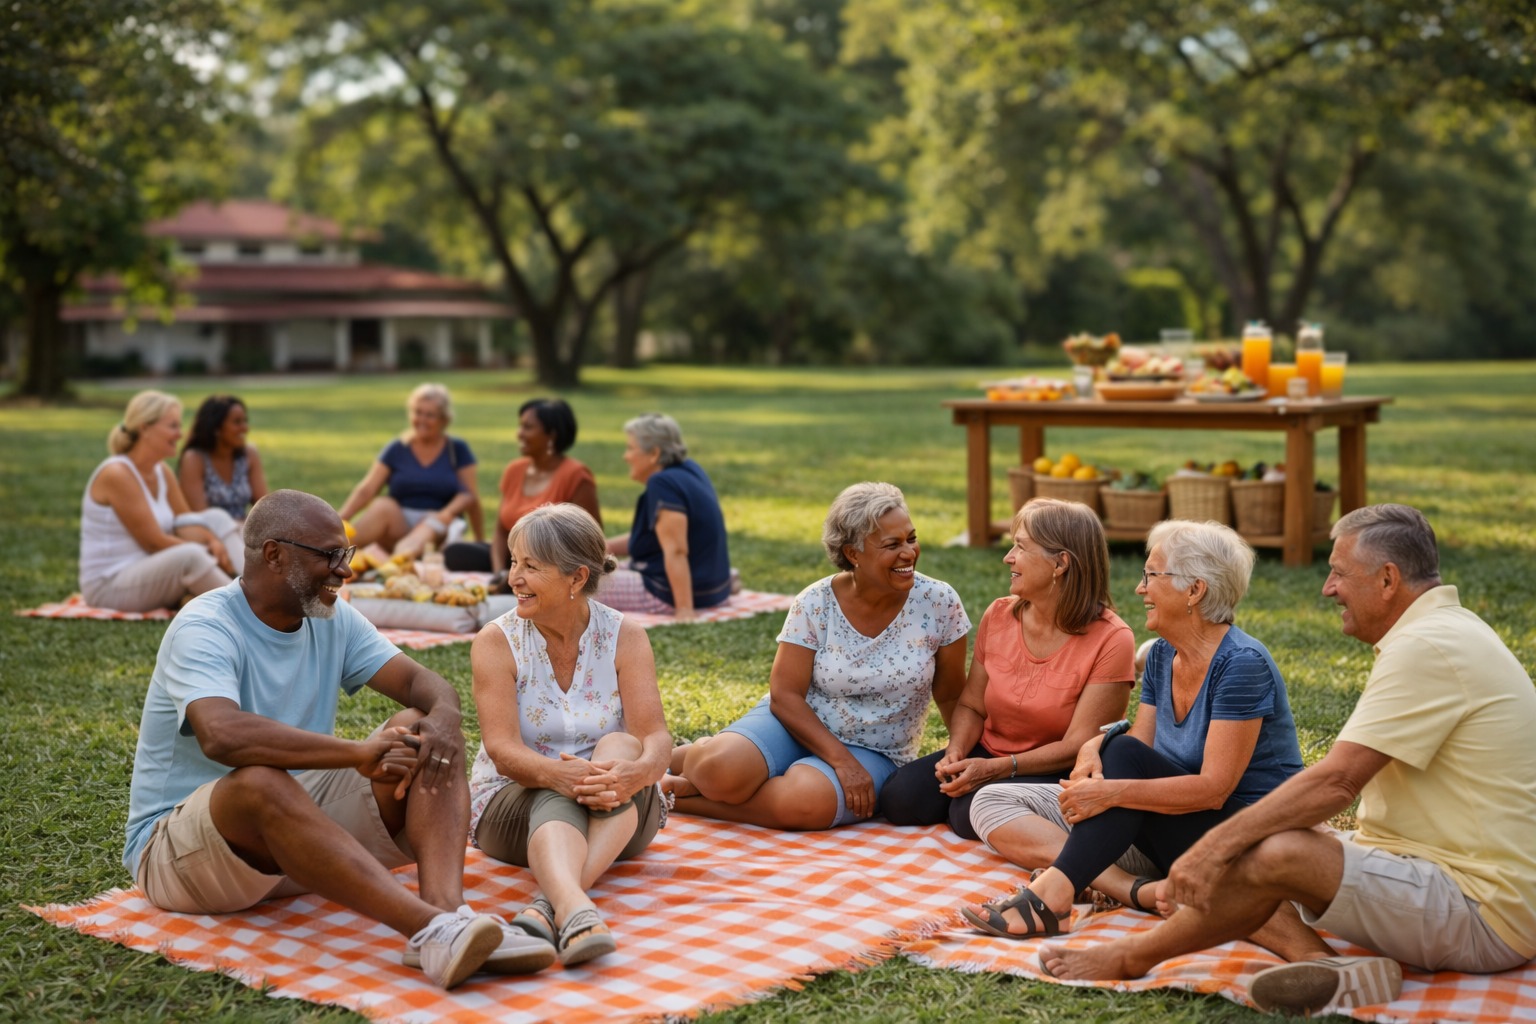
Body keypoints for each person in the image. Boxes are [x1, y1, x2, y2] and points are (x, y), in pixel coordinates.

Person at [1039, 505, 1536, 1016]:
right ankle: (1329, 964)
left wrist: (1215, 848)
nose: (1327, 588)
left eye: (1339, 572)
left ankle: (1130, 956)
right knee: (1273, 852)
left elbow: (1336, 783)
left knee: (1272, 852)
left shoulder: (1428, 647)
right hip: (1441, 876)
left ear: (1388, 579)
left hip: (1482, 912)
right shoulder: (1446, 632)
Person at [122, 490, 555, 989]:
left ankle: (450, 916)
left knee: (423, 730)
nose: (344, 570)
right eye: (329, 556)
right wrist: (358, 753)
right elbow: (223, 735)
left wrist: (444, 717)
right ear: (274, 555)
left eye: (344, 554)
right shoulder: (205, 626)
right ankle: (427, 929)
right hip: (178, 856)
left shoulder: (329, 616)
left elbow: (424, 685)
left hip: (292, 838)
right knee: (261, 782)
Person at [963, 519, 1303, 940]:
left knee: (1120, 764)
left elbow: (1214, 789)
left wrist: (1112, 791)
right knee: (991, 801)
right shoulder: (1163, 654)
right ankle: (1136, 890)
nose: (1140, 589)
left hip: (1239, 837)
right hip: (1161, 820)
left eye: (1151, 576)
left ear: (1194, 590)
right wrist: (1095, 747)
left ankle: (1054, 893)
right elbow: (1138, 743)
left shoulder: (1242, 664)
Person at [664, 482, 970, 830]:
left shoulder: (939, 602)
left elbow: (950, 694)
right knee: (719, 770)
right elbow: (785, 695)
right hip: (794, 724)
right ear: (854, 553)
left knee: (805, 803)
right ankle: (696, 760)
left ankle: (683, 797)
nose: (909, 553)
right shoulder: (815, 601)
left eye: (911, 539)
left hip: (876, 749)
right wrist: (841, 762)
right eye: (892, 545)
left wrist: (961, 753)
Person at [468, 504, 670, 966]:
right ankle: (576, 908)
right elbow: (502, 752)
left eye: (530, 567)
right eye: (514, 562)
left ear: (577, 579)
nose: (513, 578)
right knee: (554, 792)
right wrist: (567, 779)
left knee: (621, 748)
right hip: (512, 805)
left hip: (619, 809)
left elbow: (656, 738)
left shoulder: (626, 636)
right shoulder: (496, 641)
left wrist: (635, 773)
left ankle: (550, 905)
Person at [879, 498, 1134, 838]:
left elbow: (1078, 745)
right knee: (900, 797)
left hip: (1052, 767)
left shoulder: (1113, 639)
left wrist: (999, 769)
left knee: (967, 810)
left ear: (1060, 564)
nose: (1008, 557)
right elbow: (971, 704)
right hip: (988, 751)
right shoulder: (999, 614)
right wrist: (957, 750)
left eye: (1020, 547)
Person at [80, 390, 244, 612]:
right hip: (109, 586)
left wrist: (212, 539)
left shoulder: (161, 471)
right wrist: (207, 550)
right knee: (191, 556)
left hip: (151, 574)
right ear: (145, 428)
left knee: (216, 517)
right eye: (173, 426)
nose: (180, 434)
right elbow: (153, 542)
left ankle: (251, 584)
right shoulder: (117, 474)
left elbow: (186, 522)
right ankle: (250, 612)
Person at [443, 398, 600, 581]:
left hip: (551, 564)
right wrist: (499, 572)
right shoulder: (514, 470)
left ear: (552, 435)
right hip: (513, 558)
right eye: (520, 426)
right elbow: (501, 531)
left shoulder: (576, 475)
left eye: (528, 427)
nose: (519, 434)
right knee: (455, 554)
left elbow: (591, 541)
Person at [601, 413, 730, 621]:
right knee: (589, 569)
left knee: (574, 586)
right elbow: (654, 537)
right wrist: (602, 547)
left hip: (666, 590)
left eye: (631, 448)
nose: (626, 456)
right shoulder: (690, 469)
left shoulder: (662, 484)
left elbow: (676, 550)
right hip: (713, 589)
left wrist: (684, 609)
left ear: (654, 454)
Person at [337, 383, 484, 561]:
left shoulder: (457, 450)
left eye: (430, 415)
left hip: (438, 526)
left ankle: (398, 564)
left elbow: (470, 497)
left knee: (430, 525)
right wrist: (338, 521)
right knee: (382, 505)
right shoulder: (397, 448)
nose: (422, 419)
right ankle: (332, 551)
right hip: (400, 524)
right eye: (417, 412)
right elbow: (367, 489)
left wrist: (480, 542)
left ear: (444, 420)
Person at [177, 394, 269, 522]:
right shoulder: (194, 459)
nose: (245, 428)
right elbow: (201, 516)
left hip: (245, 530)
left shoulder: (249, 454)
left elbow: (264, 508)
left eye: (245, 421)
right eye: (237, 422)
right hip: (211, 534)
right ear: (216, 428)